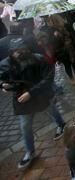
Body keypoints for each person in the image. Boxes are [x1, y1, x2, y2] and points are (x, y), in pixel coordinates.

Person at [0, 40, 66, 170]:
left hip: (40, 94)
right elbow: (2, 77)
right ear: (12, 52)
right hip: (22, 99)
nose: (20, 54)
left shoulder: (38, 58)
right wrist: (3, 84)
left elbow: (48, 78)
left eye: (23, 50)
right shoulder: (6, 64)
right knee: (25, 125)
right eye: (17, 52)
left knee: (51, 109)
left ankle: (61, 124)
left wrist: (31, 93)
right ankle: (30, 151)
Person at [43, 15, 75, 85]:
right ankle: (71, 78)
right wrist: (54, 36)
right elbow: (50, 42)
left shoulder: (66, 26)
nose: (49, 22)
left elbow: (73, 34)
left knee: (74, 62)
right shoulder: (50, 30)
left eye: (51, 21)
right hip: (61, 50)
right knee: (67, 64)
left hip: (71, 47)